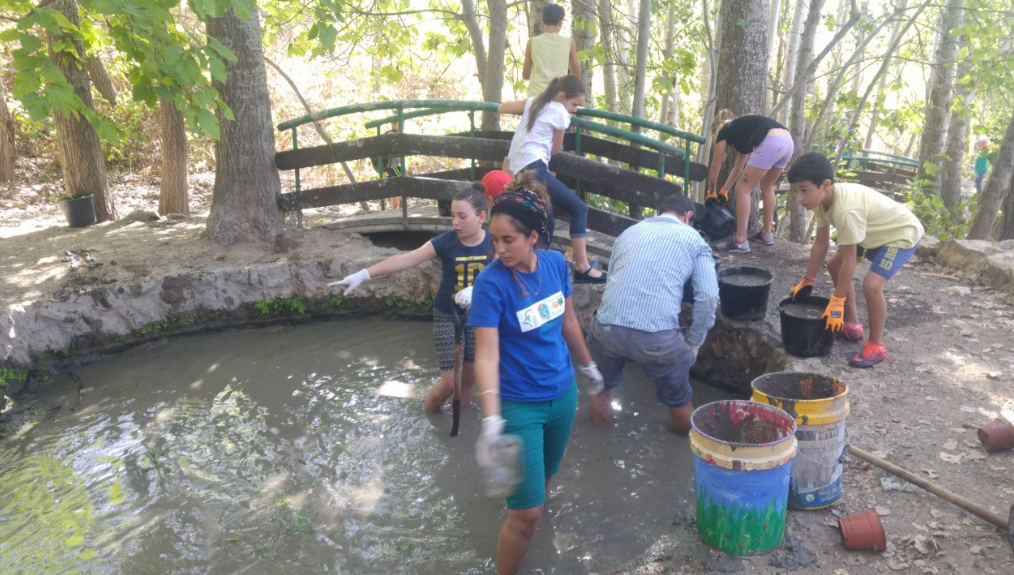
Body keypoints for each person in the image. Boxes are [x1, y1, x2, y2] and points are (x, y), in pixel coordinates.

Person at [467, 173, 602, 575]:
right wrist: (492, 420)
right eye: (495, 239)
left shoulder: (557, 264)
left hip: (562, 394)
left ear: (534, 237)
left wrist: (589, 370)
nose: (499, 249)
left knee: (544, 484)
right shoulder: (490, 284)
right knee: (525, 515)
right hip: (518, 405)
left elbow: (569, 322)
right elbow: (486, 356)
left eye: (508, 240)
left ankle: (533, 524)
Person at [329, 184, 493, 410]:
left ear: (481, 217)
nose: (455, 222)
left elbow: (509, 272)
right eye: (453, 215)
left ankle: (460, 427)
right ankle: (430, 413)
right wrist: (363, 274)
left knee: (468, 379)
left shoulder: (494, 243)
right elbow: (408, 259)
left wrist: (478, 290)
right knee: (448, 384)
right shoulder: (446, 241)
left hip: (479, 317)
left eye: (462, 216)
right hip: (448, 314)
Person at [586, 194, 719, 432]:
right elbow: (708, 297)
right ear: (688, 216)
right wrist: (695, 343)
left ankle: (600, 438)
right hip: (657, 340)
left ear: (659, 212)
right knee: (678, 398)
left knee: (601, 387)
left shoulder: (629, 232)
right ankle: (682, 456)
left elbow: (614, 277)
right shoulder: (694, 239)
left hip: (606, 328)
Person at [787, 152, 924, 368]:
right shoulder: (823, 202)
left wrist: (837, 301)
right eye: (795, 191)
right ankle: (852, 326)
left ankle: (876, 345)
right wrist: (807, 279)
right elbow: (821, 243)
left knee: (871, 285)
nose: (799, 198)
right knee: (833, 265)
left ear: (825, 185)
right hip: (869, 232)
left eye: (804, 190)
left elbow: (850, 260)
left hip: (898, 235)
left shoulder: (846, 211)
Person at [499, 75, 605, 284]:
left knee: (544, 217)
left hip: (517, 170)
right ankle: (582, 267)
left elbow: (502, 108)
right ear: (563, 96)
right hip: (534, 168)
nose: (574, 109)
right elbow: (555, 149)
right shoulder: (559, 112)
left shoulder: (535, 103)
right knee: (579, 208)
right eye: (574, 104)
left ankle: (531, 267)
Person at [706, 110, 794, 253]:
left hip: (771, 142)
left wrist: (711, 192)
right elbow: (739, 166)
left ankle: (740, 240)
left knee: (742, 189)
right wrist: (725, 190)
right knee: (767, 187)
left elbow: (716, 165)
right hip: (788, 142)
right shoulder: (743, 130)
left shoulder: (724, 131)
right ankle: (766, 233)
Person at [523, 4, 581, 98]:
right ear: (560, 22)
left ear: (542, 21)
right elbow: (577, 73)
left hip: (536, 99)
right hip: (558, 98)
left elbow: (525, 75)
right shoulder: (569, 43)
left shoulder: (532, 42)